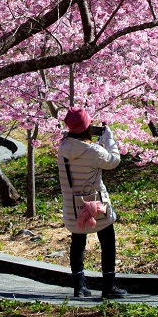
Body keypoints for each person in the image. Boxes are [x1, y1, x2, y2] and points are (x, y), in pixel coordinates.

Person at [57, 106, 126, 300]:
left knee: (78, 242)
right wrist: (108, 139)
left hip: (73, 206)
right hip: (95, 205)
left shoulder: (63, 149)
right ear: (87, 127)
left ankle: (79, 287)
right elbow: (113, 161)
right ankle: (109, 285)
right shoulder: (94, 151)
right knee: (107, 240)